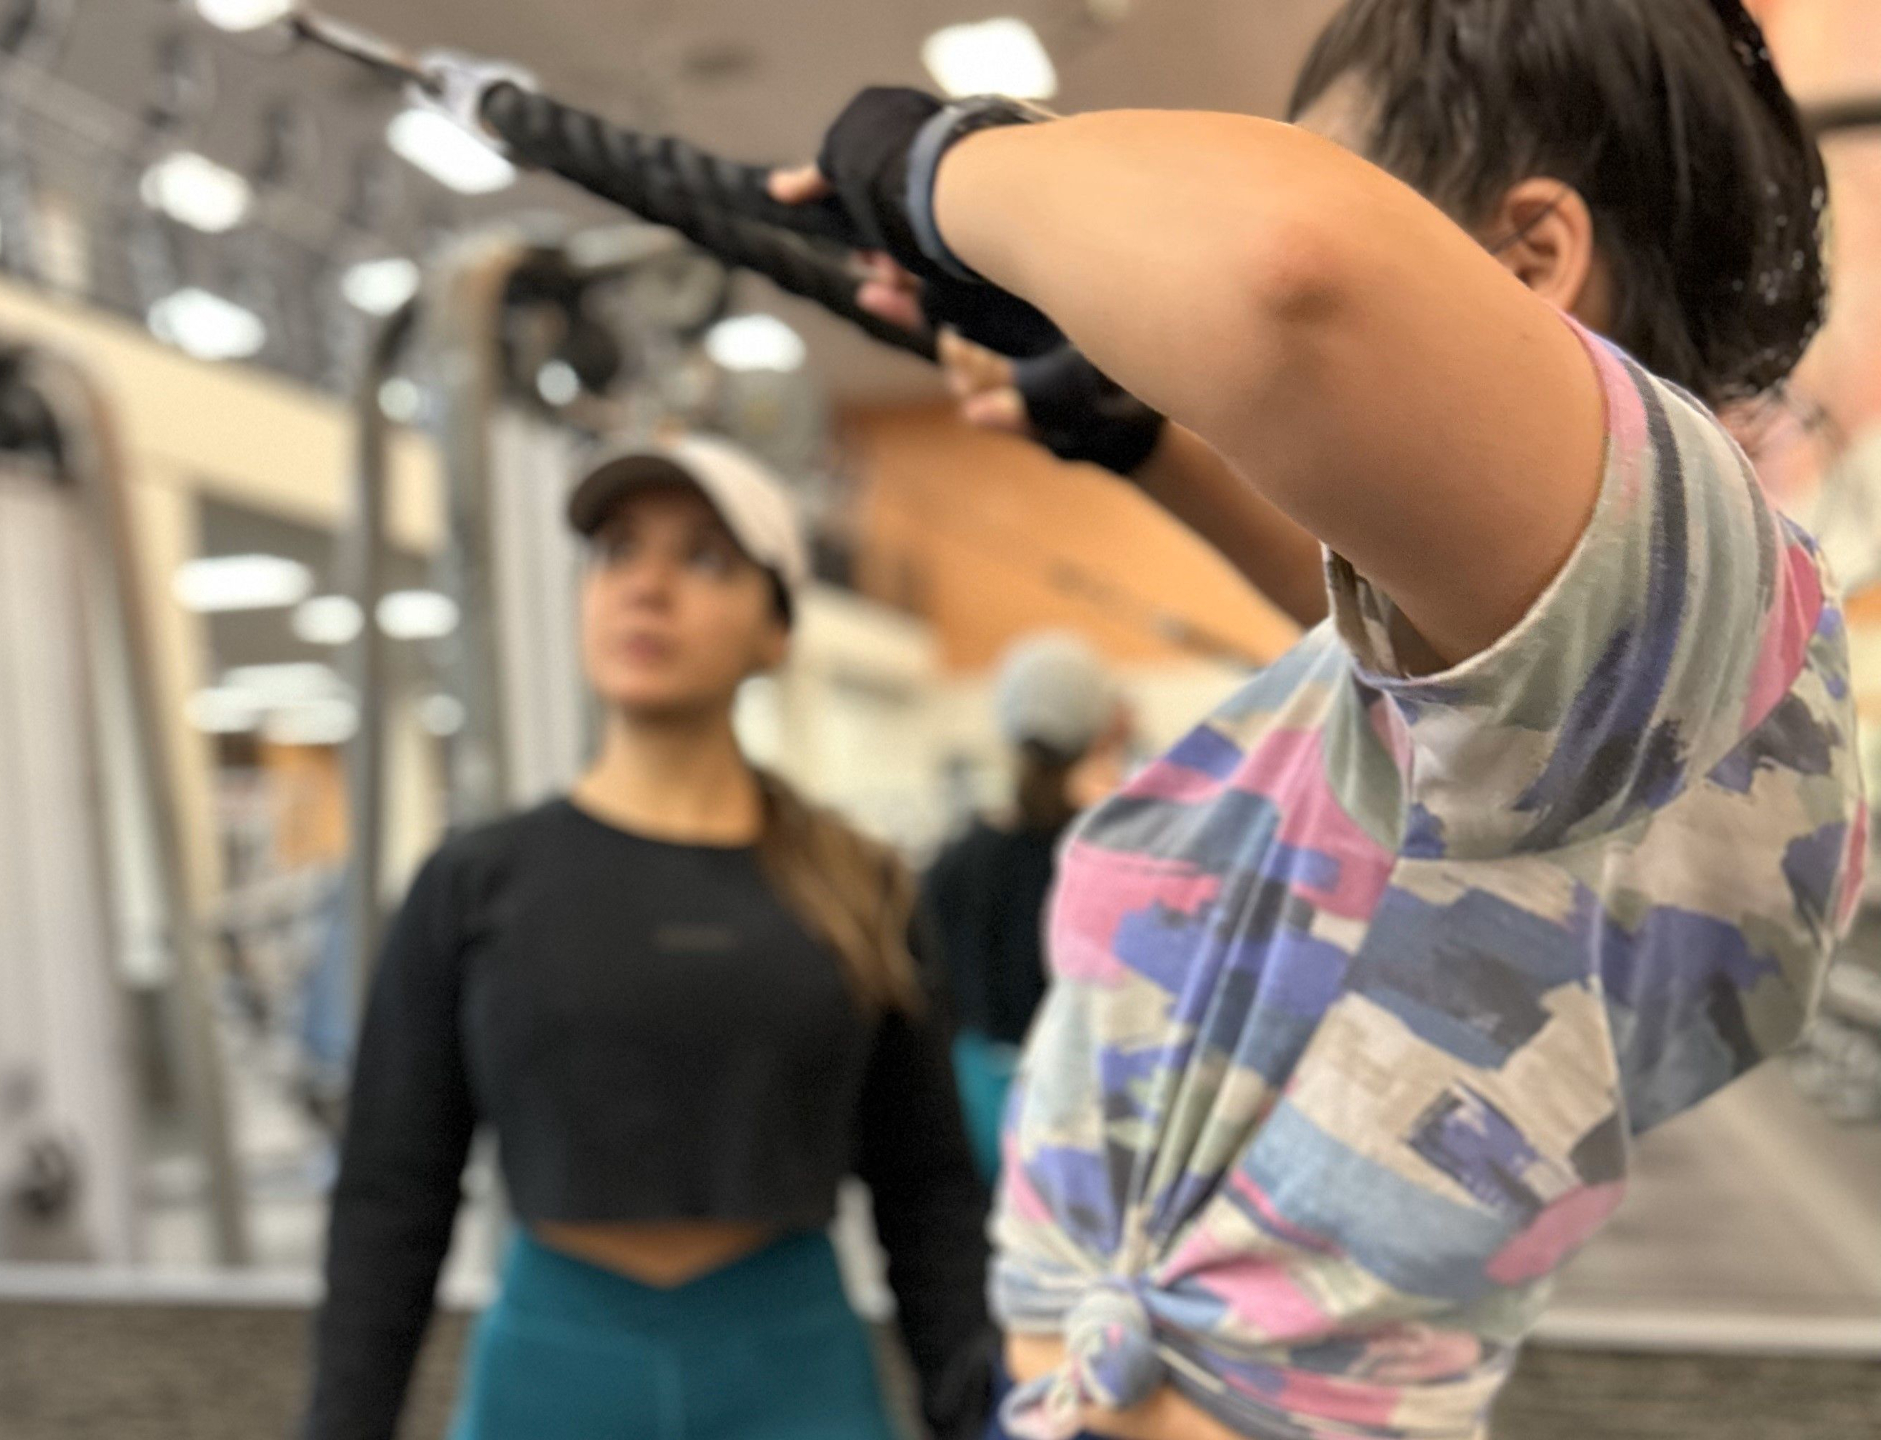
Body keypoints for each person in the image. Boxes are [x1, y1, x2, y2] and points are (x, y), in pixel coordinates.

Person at [769, 2, 1866, 1438]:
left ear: (1527, 261)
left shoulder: (1703, 597)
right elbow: (1384, 652)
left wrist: (935, 167)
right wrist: (1133, 428)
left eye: (1348, 171)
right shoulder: (1581, 676)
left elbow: (1292, 273)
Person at [301, 433, 996, 1440]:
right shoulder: (475, 883)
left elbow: (928, 1191)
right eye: (618, 550)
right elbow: (389, 1195)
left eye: (704, 557)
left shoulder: (863, 887)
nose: (647, 587)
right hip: (554, 1373)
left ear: (776, 629)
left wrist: (978, 1411)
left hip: (794, 1373)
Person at [924, 633, 1130, 1181]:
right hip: (1081, 1104)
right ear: (1100, 730)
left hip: (973, 1102)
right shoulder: (1108, 860)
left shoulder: (956, 861)